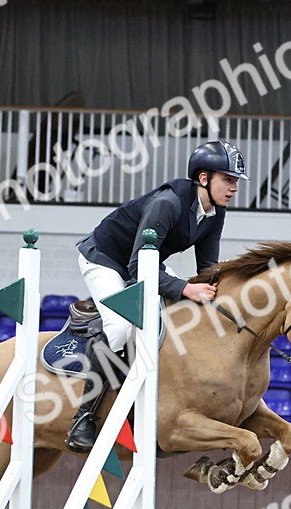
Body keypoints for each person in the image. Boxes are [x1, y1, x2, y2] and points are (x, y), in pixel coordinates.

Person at [65, 140, 248, 453]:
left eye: (236, 181)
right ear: (204, 178)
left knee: (181, 313)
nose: (234, 188)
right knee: (121, 327)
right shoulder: (168, 202)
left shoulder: (215, 212)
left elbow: (207, 268)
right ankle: (85, 417)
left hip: (147, 262)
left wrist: (228, 288)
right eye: (228, 179)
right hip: (105, 259)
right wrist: (185, 289)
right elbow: (137, 268)